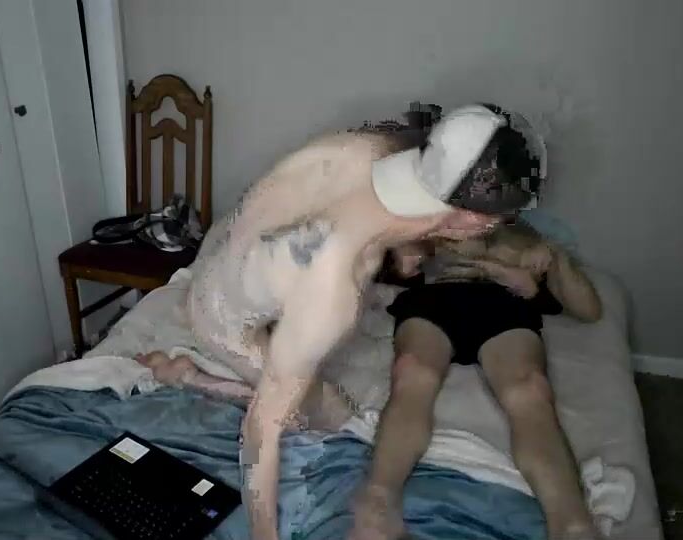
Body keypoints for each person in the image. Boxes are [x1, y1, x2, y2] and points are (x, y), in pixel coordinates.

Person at [137, 104, 548, 540]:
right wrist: (264, 535)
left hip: (222, 254)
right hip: (219, 318)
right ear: (473, 221)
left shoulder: (372, 146)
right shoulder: (332, 290)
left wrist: (410, 246)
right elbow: (261, 430)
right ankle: (186, 375)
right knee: (325, 416)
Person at [349, 221, 604, 540]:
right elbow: (382, 263)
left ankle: (572, 523)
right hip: (436, 299)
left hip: (503, 304)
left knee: (529, 389)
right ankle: (379, 498)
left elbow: (590, 310)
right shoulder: (435, 225)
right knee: (413, 372)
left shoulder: (527, 238)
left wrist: (555, 258)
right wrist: (407, 246)